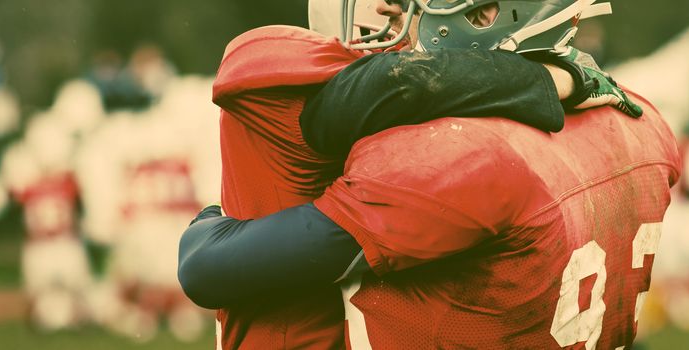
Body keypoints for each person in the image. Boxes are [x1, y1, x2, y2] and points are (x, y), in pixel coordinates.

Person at [180, 0, 645, 348]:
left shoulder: (454, 153)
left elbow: (204, 268)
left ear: (489, 13)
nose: (389, 8)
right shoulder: (637, 122)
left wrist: (210, 217)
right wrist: (558, 78)